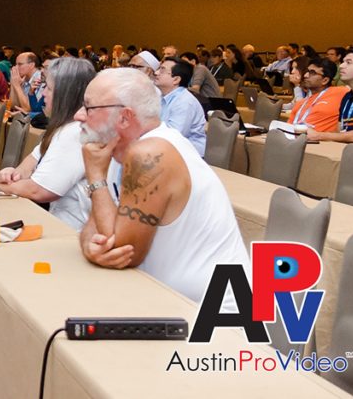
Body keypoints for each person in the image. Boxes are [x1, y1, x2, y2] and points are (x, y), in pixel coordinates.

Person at [74, 68, 249, 310]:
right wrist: (89, 246)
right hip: (172, 303)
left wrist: (95, 176)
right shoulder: (122, 151)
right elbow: (100, 232)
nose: (78, 116)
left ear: (124, 118)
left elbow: (121, 252)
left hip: (214, 319)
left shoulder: (150, 154)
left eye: (89, 107)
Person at [0, 57, 95, 230]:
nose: (43, 94)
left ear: (64, 96)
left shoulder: (75, 132)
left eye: (49, 89)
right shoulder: (60, 127)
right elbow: (29, 164)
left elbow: (38, 190)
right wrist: (12, 174)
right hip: (55, 223)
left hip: (69, 232)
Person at [308, 49, 353, 150]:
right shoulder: (348, 96)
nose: (341, 66)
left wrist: (319, 135)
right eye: (342, 62)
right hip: (352, 152)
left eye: (348, 62)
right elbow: (340, 131)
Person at [154, 57, 207, 155]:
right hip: (168, 150)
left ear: (176, 79)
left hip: (188, 156)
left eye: (162, 70)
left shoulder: (185, 102)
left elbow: (173, 137)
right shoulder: (161, 96)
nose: (156, 73)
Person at [287, 58, 347, 133]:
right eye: (307, 71)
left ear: (325, 80)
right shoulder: (300, 104)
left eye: (312, 73)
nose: (305, 75)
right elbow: (288, 128)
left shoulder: (341, 93)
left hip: (322, 143)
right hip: (296, 140)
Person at [8, 52, 43, 117]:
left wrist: (17, 86)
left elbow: (28, 109)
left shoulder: (40, 80)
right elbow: (14, 105)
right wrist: (13, 83)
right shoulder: (24, 78)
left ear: (31, 65)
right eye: (16, 64)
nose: (16, 68)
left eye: (20, 64)